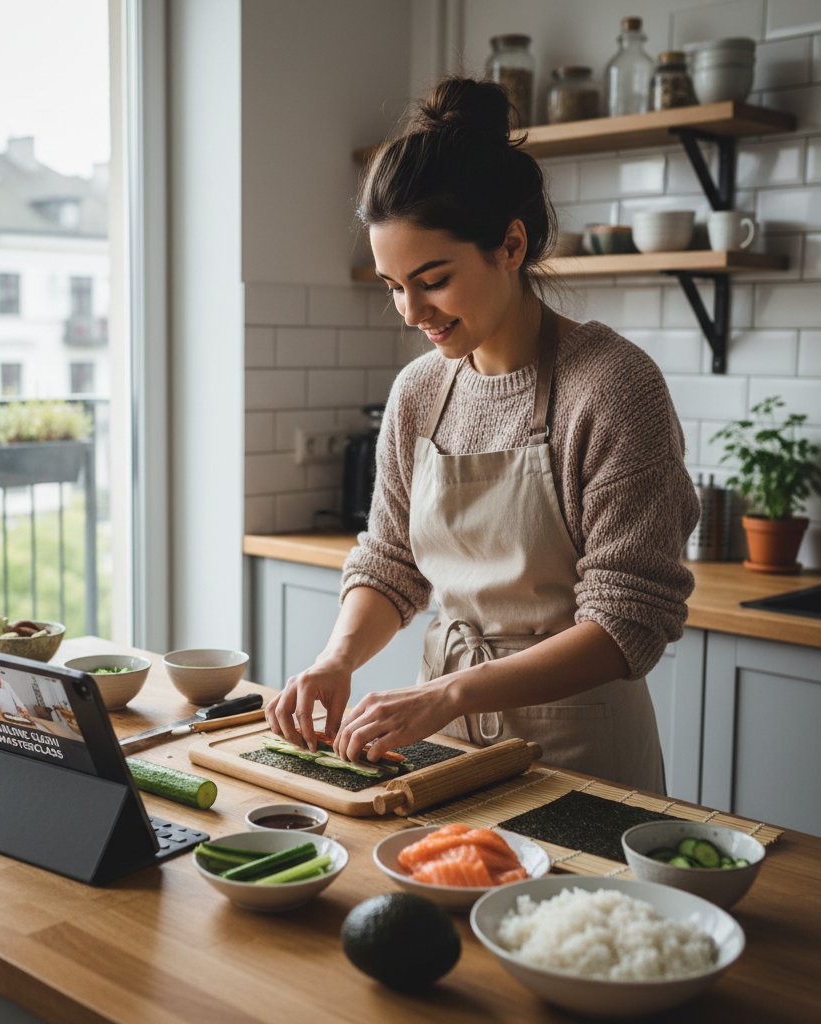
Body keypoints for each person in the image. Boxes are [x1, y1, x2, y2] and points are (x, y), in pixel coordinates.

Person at [266, 76, 700, 793]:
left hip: (579, 760)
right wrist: (335, 661)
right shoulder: (419, 392)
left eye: (432, 279)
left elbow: (627, 620)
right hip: (435, 741)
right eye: (392, 285)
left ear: (510, 244)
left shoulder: (614, 386)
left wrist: (453, 693)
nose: (411, 311)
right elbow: (390, 560)